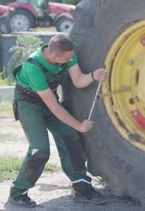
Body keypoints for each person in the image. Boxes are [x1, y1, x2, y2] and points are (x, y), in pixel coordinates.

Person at [8, 34, 107, 208]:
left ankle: (81, 185)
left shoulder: (67, 53)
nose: (71, 60)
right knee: (40, 149)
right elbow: (54, 107)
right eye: (67, 59)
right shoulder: (33, 67)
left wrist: (93, 75)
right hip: (28, 104)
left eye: (71, 56)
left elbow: (77, 80)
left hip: (48, 99)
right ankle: (18, 193)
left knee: (70, 136)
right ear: (55, 57)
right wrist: (79, 125)